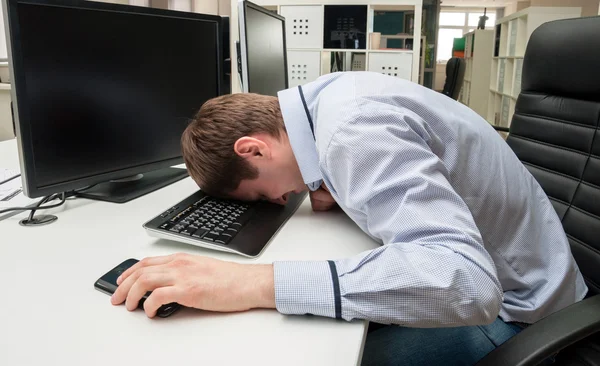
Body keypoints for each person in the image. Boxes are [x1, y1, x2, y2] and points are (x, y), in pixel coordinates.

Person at [111, 72, 586, 365]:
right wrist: (333, 184)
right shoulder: (334, 100)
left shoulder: (352, 132)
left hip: (522, 314)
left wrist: (251, 284)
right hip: (533, 272)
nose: (279, 198)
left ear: (252, 148)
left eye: (261, 190)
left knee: (313, 357)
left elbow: (466, 281)